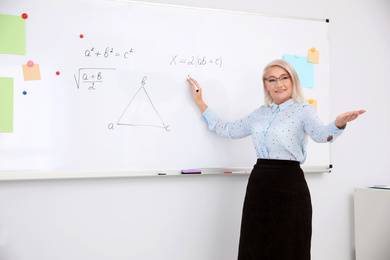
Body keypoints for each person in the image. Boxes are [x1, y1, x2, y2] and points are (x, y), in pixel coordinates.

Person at [187, 59, 365, 260]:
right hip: (259, 184)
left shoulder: (303, 110)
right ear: (266, 85)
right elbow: (228, 130)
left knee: (289, 246)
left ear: (292, 81)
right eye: (272, 80)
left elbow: (321, 134)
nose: (278, 84)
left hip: (290, 185)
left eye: (283, 78)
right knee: (255, 245)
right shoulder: (260, 113)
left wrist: (338, 124)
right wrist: (201, 102)